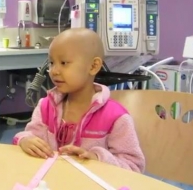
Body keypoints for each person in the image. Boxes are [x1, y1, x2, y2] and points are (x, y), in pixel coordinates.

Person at [13, 28, 145, 173]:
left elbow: (134, 168)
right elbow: (30, 136)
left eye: (63, 63)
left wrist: (97, 159)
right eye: (51, 63)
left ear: (93, 66)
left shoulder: (116, 118)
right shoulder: (45, 107)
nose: (54, 71)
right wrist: (24, 140)